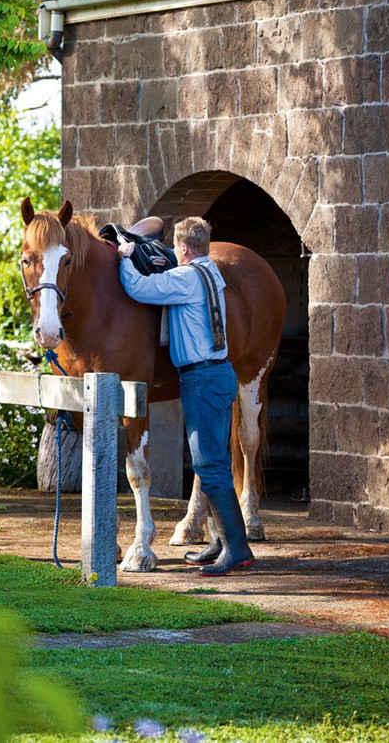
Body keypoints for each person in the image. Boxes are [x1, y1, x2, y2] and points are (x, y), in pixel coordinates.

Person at [117, 216, 254, 577]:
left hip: (201, 378)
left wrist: (126, 256)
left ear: (182, 248)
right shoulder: (211, 273)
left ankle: (237, 549)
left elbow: (140, 289)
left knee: (208, 464)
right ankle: (222, 541)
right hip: (219, 374)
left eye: (177, 248)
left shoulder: (185, 277)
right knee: (215, 461)